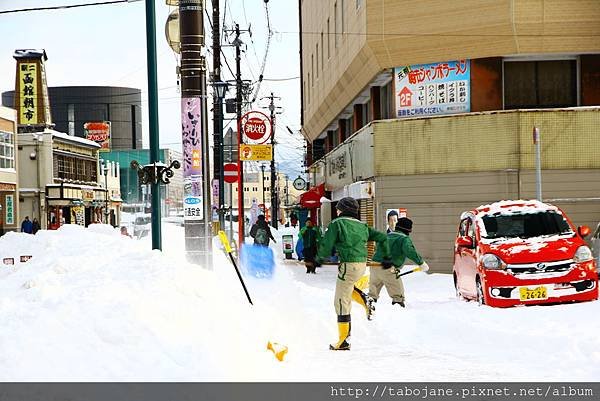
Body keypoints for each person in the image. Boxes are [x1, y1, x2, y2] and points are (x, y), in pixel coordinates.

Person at [316, 196, 392, 351]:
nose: (336, 210)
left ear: (343, 210)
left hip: (348, 265)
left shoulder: (337, 223)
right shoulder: (362, 226)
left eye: (338, 208)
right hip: (362, 265)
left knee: (341, 301)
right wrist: (386, 256)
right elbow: (383, 237)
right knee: (348, 291)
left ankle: (344, 341)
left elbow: (327, 244)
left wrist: (318, 258)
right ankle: (365, 301)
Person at [370, 217, 429, 309]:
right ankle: (398, 309)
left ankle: (369, 305)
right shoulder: (404, 239)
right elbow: (409, 251)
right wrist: (421, 263)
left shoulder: (386, 235)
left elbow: (377, 247)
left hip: (374, 265)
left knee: (373, 290)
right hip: (388, 268)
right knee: (397, 292)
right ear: (407, 230)